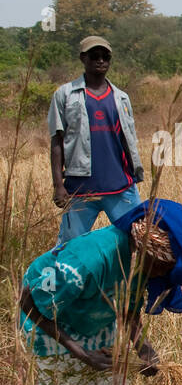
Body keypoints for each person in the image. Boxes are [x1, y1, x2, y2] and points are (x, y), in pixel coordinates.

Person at [17, 199, 182, 385]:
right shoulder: (84, 263)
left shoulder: (141, 263)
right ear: (145, 249)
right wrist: (82, 353)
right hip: (52, 320)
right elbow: (28, 300)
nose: (163, 275)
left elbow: (128, 306)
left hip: (94, 313)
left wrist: (143, 348)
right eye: (162, 267)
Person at [47, 36, 146, 247]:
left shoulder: (121, 98)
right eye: (94, 56)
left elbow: (128, 140)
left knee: (139, 242)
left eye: (106, 57)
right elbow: (57, 142)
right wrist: (58, 186)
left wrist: (135, 173)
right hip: (80, 189)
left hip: (120, 186)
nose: (101, 61)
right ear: (83, 58)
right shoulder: (65, 95)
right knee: (68, 248)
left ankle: (132, 281)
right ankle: (61, 280)